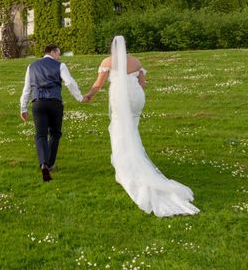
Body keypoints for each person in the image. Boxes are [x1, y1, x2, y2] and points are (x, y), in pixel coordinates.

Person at [83, 35, 199, 217]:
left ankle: (126, 169)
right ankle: (128, 162)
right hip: (137, 99)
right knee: (131, 129)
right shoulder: (136, 61)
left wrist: (89, 95)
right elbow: (143, 84)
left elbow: (98, 84)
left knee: (120, 131)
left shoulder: (108, 61)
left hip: (121, 100)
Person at [20, 44, 87, 182]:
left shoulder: (31, 66)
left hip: (38, 103)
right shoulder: (60, 65)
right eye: (59, 53)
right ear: (53, 52)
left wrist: (23, 108)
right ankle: (49, 164)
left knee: (40, 135)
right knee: (55, 134)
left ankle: (43, 163)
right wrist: (80, 97)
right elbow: (69, 82)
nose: (59, 56)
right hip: (55, 102)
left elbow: (26, 89)